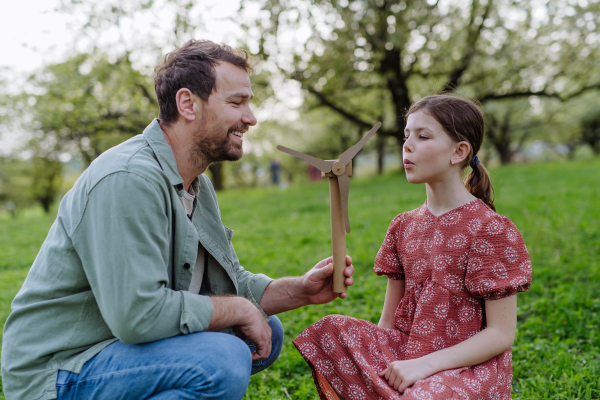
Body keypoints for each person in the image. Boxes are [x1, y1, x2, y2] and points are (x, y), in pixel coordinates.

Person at [1, 39, 355, 400]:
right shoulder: (127, 179)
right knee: (222, 357)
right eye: (236, 103)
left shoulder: (195, 183)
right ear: (188, 104)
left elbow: (223, 285)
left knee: (268, 331)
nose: (251, 118)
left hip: (117, 348)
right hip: (61, 369)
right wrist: (237, 308)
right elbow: (138, 316)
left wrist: (300, 290)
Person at [293, 94, 532, 400]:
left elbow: (501, 334)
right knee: (330, 330)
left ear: (459, 151)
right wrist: (380, 359)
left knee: (423, 395)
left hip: (465, 368)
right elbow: (388, 323)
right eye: (406, 136)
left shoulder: (491, 229)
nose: (407, 145)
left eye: (423, 136)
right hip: (406, 352)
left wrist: (424, 365)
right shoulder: (403, 226)